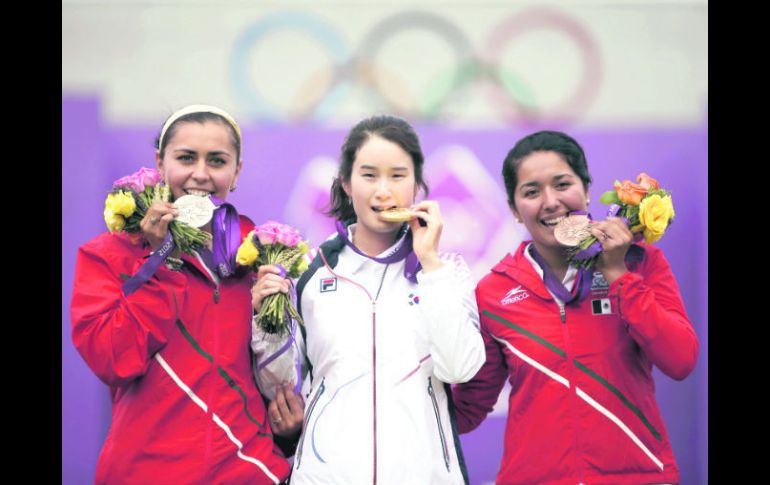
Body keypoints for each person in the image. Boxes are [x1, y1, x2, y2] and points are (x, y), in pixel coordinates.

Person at [452, 130, 699, 485]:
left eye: (562, 184)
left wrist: (617, 274)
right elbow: (469, 407)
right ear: (515, 210)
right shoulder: (494, 292)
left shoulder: (641, 264)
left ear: (585, 188)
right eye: (531, 192)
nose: (550, 201)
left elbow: (680, 359)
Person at [251, 114, 485, 484]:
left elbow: (460, 369)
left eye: (397, 175)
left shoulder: (446, 271)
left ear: (417, 186)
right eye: (369, 175)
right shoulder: (309, 270)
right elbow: (276, 383)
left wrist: (429, 263)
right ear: (346, 183)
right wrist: (268, 319)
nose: (383, 190)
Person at [71, 105, 299, 485]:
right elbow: (113, 359)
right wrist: (161, 261)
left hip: (247, 471)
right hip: (145, 473)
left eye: (217, 161)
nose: (201, 174)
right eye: (186, 158)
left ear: (237, 172)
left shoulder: (257, 259)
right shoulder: (109, 255)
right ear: (160, 163)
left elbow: (274, 376)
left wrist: (286, 430)